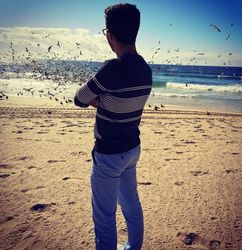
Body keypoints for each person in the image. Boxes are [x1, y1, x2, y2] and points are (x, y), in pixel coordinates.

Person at [74, 3, 152, 250]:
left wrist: (99, 101)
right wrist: (106, 101)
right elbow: (123, 101)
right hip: (131, 150)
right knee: (131, 204)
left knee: (104, 217)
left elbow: (79, 99)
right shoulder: (145, 70)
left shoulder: (112, 69)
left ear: (109, 35)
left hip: (108, 154)